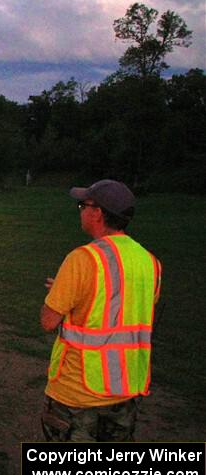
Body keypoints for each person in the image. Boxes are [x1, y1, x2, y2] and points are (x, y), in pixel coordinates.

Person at [40, 179, 161, 442]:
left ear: (97, 213)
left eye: (83, 205)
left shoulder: (83, 258)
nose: (81, 210)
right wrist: (71, 289)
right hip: (125, 391)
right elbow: (119, 303)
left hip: (77, 393)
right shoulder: (149, 262)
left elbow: (48, 321)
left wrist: (59, 293)